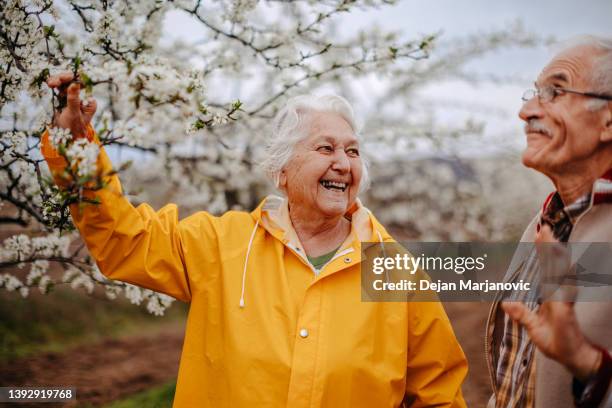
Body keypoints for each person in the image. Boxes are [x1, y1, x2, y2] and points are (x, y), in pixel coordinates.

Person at [42, 74, 468, 407]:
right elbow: (126, 241)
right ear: (282, 169)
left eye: (353, 152)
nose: (342, 163)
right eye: (325, 148)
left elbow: (439, 396)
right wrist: (76, 149)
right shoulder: (221, 245)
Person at [486, 36, 612, 408]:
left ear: (608, 122)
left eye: (555, 92)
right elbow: (514, 384)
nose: (526, 112)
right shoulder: (545, 225)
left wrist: (589, 366)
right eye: (534, 93)